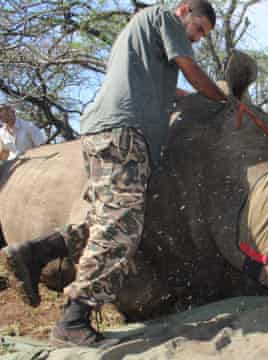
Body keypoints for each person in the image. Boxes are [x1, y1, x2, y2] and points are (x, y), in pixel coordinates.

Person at [0, 0, 225, 347]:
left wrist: (192, 100)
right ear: (184, 10)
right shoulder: (163, 17)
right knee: (122, 228)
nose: (195, 39)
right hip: (125, 135)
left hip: (102, 131)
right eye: (198, 30)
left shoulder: (139, 34)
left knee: (102, 218)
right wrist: (222, 100)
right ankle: (73, 320)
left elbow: (172, 90)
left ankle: (35, 253)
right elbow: (190, 68)